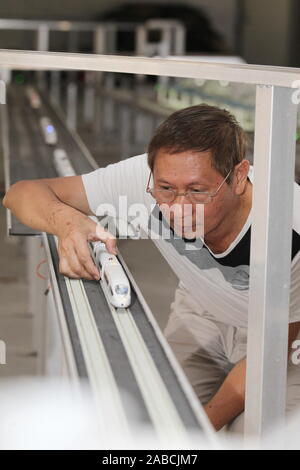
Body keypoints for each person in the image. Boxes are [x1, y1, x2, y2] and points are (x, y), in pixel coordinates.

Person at [3, 104, 300, 432]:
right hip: (203, 310)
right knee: (148, 412)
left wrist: (193, 431)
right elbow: (21, 194)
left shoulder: (288, 231)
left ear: (239, 176)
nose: (177, 208)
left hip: (283, 339)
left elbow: (269, 353)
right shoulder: (146, 181)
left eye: (198, 191)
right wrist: (68, 223)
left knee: (254, 436)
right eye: (165, 190)